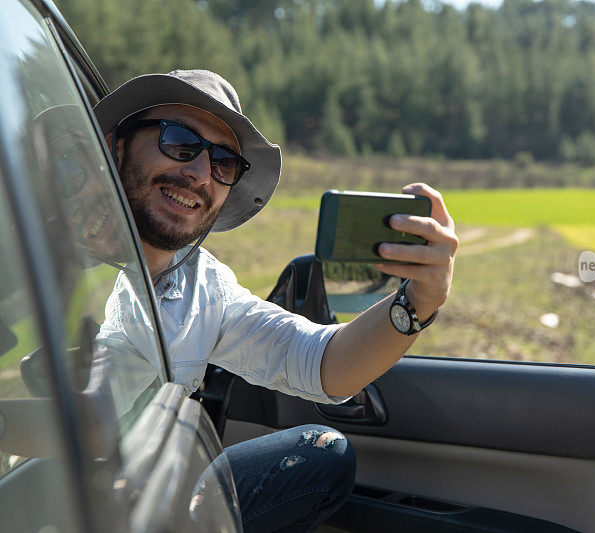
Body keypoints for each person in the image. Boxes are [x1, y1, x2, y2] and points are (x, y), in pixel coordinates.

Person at [92, 69, 458, 532]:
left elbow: (324, 364)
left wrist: (418, 303)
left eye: (224, 162)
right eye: (180, 141)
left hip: (140, 505)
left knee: (324, 454)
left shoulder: (204, 287)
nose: (200, 173)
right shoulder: (36, 246)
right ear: (115, 145)